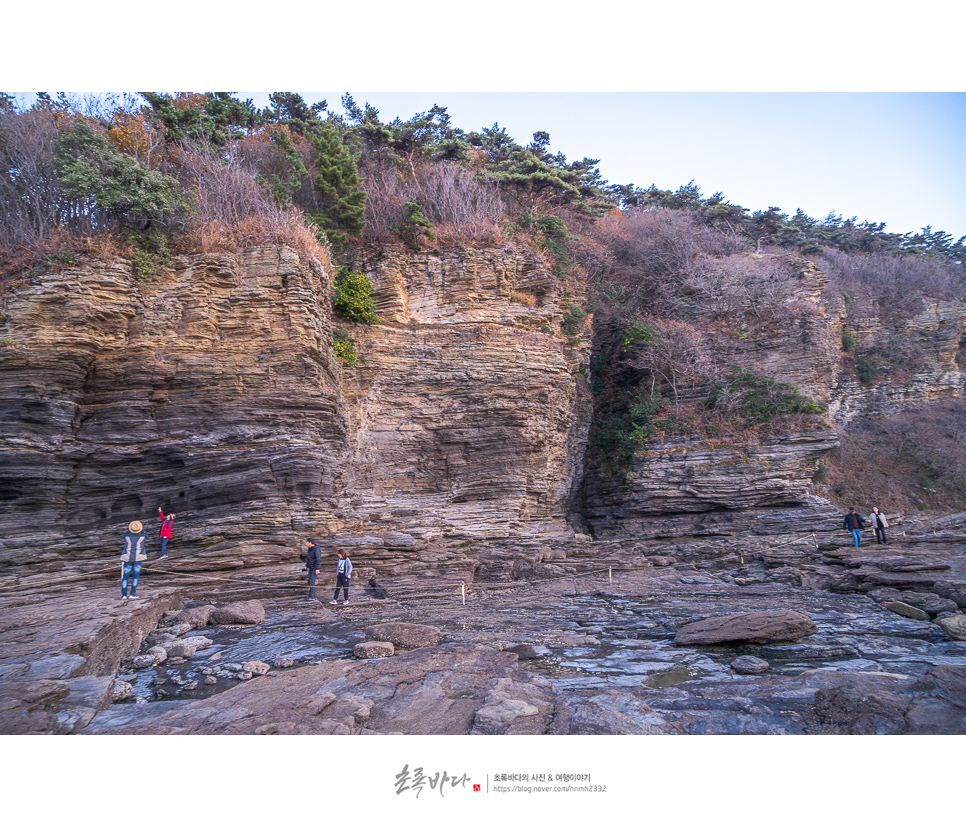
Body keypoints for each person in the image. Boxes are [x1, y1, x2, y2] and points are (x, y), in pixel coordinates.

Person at [121, 520, 147, 600]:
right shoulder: (142, 537)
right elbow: (146, 534)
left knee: (125, 577)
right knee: (135, 577)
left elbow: (124, 534)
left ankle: (124, 595)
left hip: (127, 558)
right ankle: (132, 593)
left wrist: (130, 529)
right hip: (138, 559)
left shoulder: (126, 537)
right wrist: (140, 529)